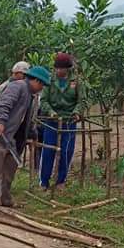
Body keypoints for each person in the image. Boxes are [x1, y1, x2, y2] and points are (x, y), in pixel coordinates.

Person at [0, 66, 50, 214]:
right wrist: (1, 121)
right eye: (41, 84)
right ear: (35, 80)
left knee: (11, 162)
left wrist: (32, 134)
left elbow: (26, 120)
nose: (42, 88)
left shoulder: (32, 97)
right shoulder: (18, 86)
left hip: (9, 136)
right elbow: (5, 104)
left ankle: (4, 197)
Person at [39, 53, 83, 189]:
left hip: (69, 120)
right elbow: (44, 100)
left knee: (66, 150)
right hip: (52, 120)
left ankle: (61, 181)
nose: (59, 71)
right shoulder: (49, 80)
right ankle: (44, 181)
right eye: (57, 68)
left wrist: (77, 111)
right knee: (48, 150)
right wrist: (51, 112)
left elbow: (82, 100)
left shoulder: (77, 81)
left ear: (67, 69)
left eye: (62, 68)